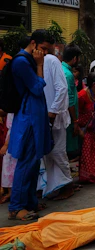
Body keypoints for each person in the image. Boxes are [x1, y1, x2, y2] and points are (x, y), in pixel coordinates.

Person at [8, 30, 52, 221]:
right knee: (26, 163)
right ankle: (16, 207)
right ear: (33, 44)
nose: (44, 53)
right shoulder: (21, 62)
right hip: (28, 118)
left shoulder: (28, 61)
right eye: (43, 49)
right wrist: (40, 66)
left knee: (34, 163)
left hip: (35, 116)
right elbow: (36, 87)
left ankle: (29, 202)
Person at [40, 40, 74, 200]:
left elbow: (62, 89)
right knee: (47, 154)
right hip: (43, 115)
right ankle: (53, 186)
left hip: (55, 116)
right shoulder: (35, 63)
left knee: (58, 152)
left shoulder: (51, 61)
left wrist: (52, 113)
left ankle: (68, 186)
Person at [62, 46, 83, 161]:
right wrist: (75, 121)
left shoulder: (62, 69)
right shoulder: (68, 75)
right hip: (68, 116)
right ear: (75, 58)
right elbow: (69, 99)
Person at [0, 114, 16, 204]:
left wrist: (6, 145)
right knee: (8, 166)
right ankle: (10, 192)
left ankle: (12, 192)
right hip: (9, 136)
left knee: (11, 166)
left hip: (11, 139)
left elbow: (12, 128)